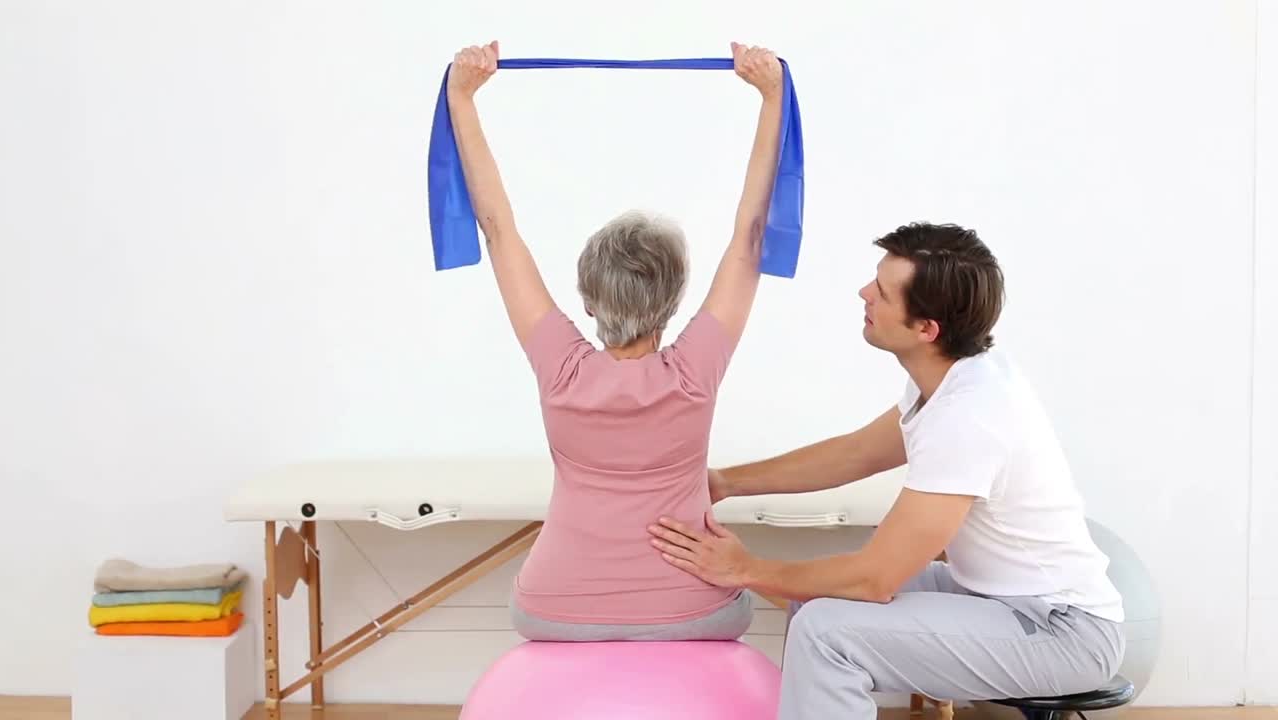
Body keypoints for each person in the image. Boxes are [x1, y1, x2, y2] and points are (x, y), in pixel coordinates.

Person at [646, 222, 1126, 719]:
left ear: (926, 330)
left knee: (828, 631)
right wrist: (725, 482)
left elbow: (876, 579)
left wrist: (744, 567)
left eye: (882, 291)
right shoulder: (954, 379)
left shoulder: (971, 416)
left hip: (1061, 633)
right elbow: (855, 454)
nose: (864, 293)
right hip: (991, 594)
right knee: (814, 600)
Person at [445, 40, 785, 641]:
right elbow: (752, 236)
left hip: (555, 609)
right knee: (742, 611)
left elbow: (497, 229)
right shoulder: (694, 370)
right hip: (693, 610)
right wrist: (772, 95)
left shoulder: (561, 367)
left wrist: (462, 97)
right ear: (676, 301)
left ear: (586, 301)